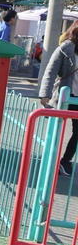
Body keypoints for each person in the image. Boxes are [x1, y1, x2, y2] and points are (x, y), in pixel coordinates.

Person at [39, 23, 78, 176]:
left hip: (77, 99)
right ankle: (50, 160)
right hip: (63, 96)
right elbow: (50, 71)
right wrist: (45, 93)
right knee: (56, 130)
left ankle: (65, 161)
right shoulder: (65, 48)